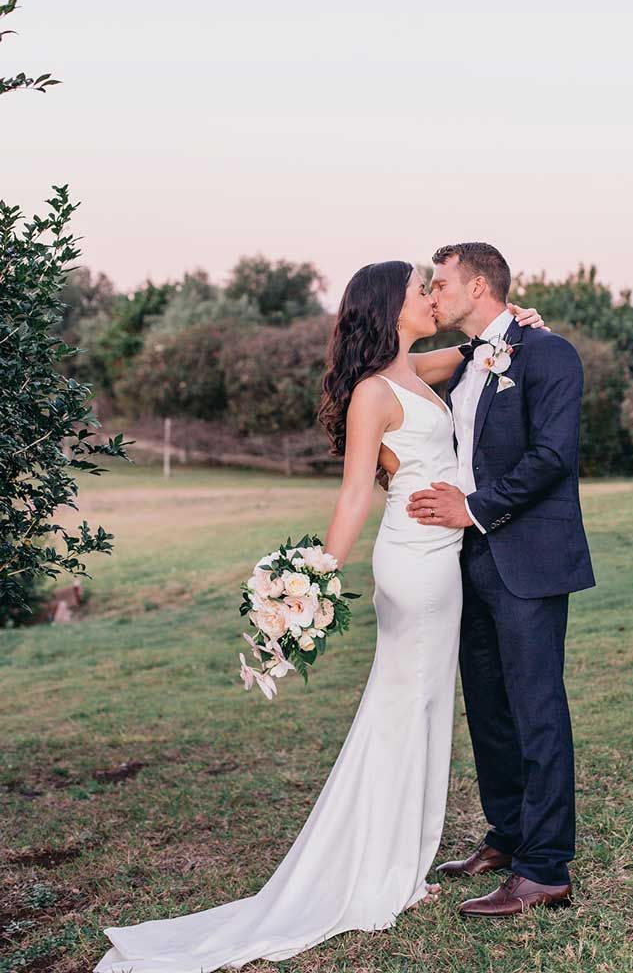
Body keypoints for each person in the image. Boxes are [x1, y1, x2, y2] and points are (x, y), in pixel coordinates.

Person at [93, 259, 545, 972]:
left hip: (438, 559)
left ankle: (400, 861)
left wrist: (511, 329)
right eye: (417, 292)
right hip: (416, 562)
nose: (430, 298)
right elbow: (353, 498)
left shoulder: (411, 371)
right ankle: (382, 874)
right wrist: (313, 583)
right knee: (408, 710)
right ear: (386, 307)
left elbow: (472, 352)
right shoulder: (374, 392)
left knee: (420, 710)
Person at [406, 242, 595, 917]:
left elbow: (554, 456)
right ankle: (508, 838)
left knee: (536, 709)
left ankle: (544, 870)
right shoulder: (467, 365)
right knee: (488, 706)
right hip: (469, 559)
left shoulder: (548, 354)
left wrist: (475, 508)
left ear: (480, 285)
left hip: (528, 556)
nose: (433, 292)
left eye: (442, 282)